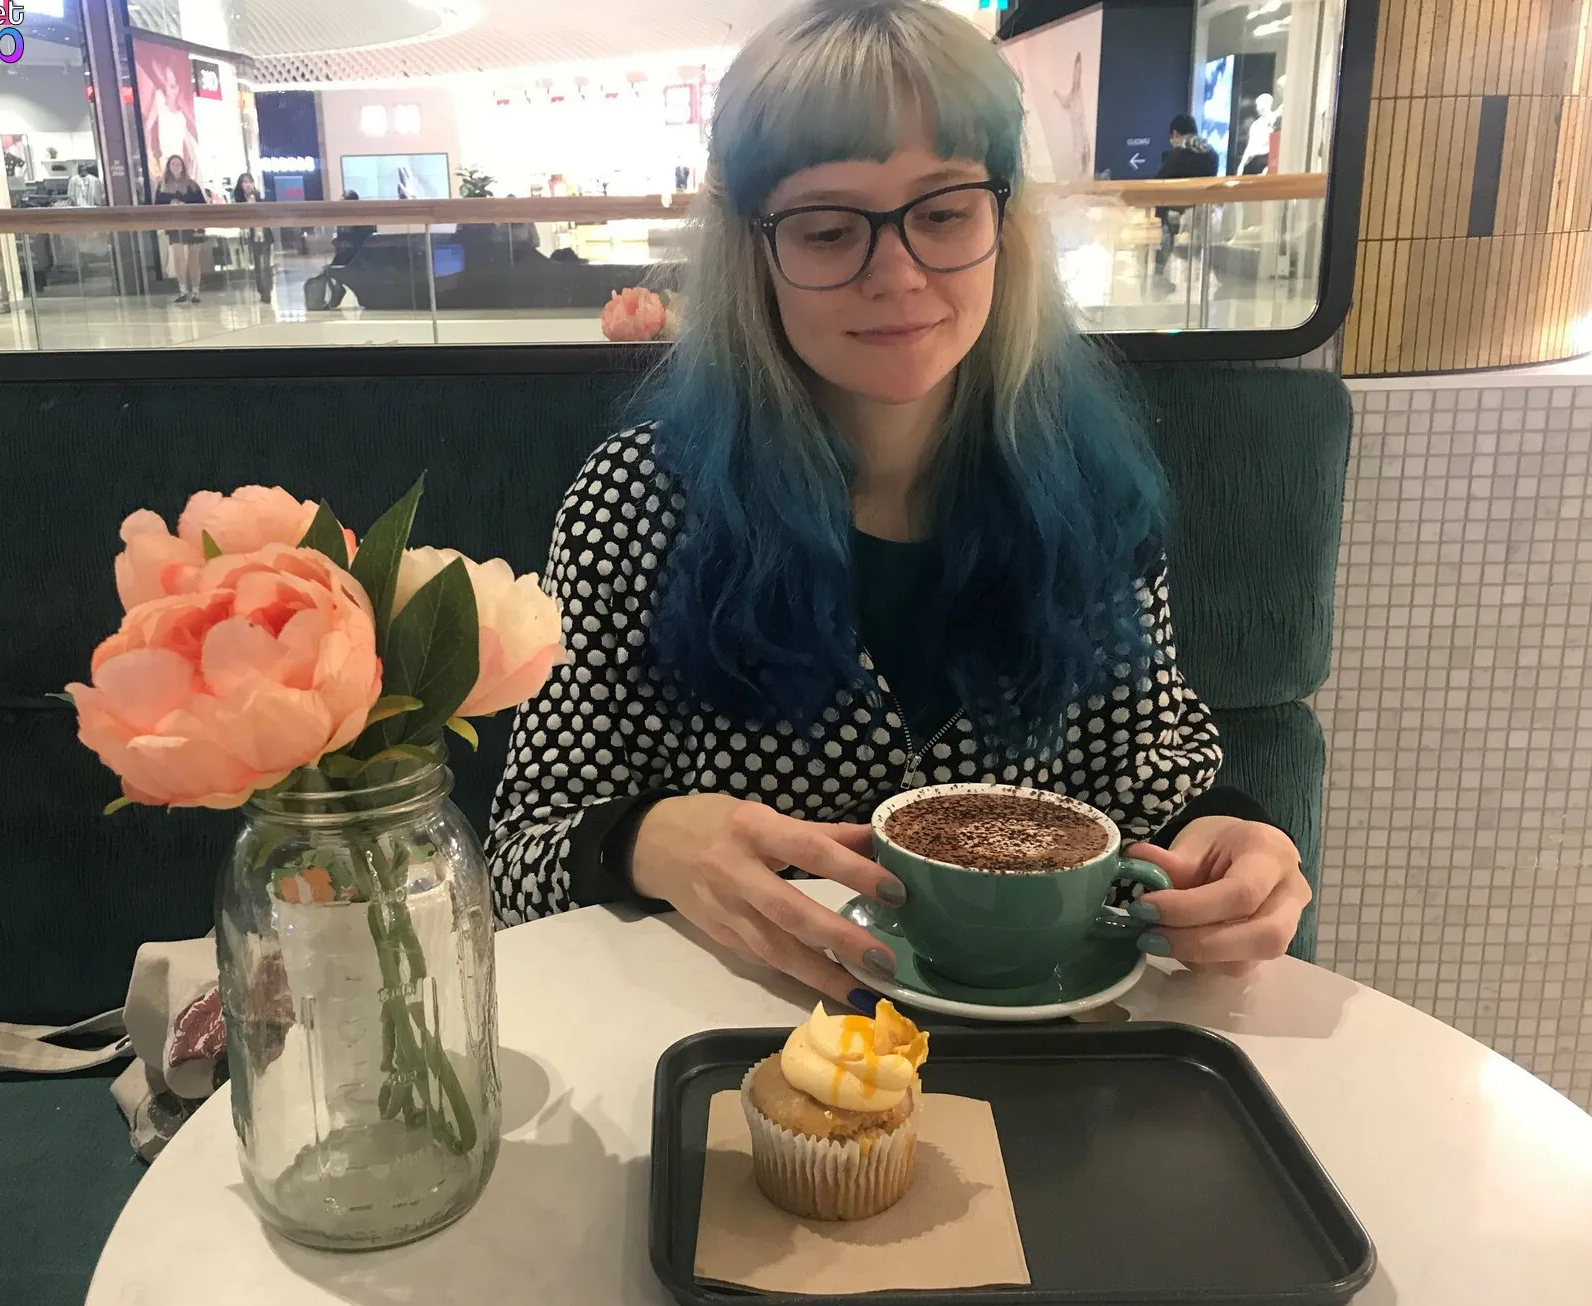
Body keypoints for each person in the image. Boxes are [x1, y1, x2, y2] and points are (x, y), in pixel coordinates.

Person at [487, 0, 1311, 1005]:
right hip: (740, 1035)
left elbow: (1151, 787)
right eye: (829, 229)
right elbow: (520, 860)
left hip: (1025, 1047)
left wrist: (1232, 841)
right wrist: (646, 838)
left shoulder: (1090, 497)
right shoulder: (639, 504)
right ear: (754, 254)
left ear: (1005, 224)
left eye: (944, 212)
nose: (899, 274)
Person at [1152, 113, 1217, 294]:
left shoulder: (1176, 154)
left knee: (1165, 239)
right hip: (1201, 211)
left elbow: (1159, 181)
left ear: (1174, 134)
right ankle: (1202, 285)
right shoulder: (1211, 154)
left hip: (1175, 213)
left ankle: (1158, 276)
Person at [155, 156, 208, 305]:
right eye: (173, 164)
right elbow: (157, 206)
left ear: (183, 166)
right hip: (174, 224)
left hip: (193, 224)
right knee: (178, 257)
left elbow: (202, 205)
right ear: (168, 166)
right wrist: (170, 205)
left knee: (194, 258)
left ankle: (196, 291)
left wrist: (186, 205)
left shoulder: (192, 185)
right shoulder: (162, 186)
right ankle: (183, 290)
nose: (176, 166)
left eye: (178, 164)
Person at [232, 173, 274, 303]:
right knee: (257, 265)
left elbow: (267, 211)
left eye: (250, 182)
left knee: (265, 264)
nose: (248, 185)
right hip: (251, 235)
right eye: (245, 182)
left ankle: (267, 291)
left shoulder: (259, 196)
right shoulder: (239, 200)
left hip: (264, 233)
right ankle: (262, 290)